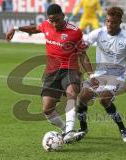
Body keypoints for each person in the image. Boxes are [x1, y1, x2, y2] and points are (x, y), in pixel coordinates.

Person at [6, 4, 94, 144]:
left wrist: (92, 75)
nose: (54, 23)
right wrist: (16, 29)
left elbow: (82, 55)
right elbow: (35, 28)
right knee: (47, 109)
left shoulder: (75, 32)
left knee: (72, 93)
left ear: (63, 16)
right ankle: (65, 130)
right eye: (51, 20)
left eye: (56, 20)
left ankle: (70, 131)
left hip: (70, 69)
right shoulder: (47, 25)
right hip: (52, 72)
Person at [77, 6, 126, 143]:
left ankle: (123, 130)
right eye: (108, 21)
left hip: (118, 76)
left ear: (120, 22)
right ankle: (83, 129)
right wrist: (91, 75)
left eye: (114, 22)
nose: (110, 25)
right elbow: (81, 51)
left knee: (104, 99)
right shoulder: (98, 33)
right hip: (99, 74)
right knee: (82, 97)